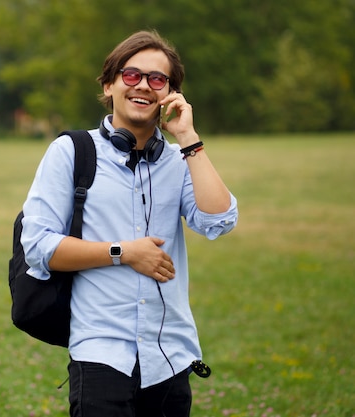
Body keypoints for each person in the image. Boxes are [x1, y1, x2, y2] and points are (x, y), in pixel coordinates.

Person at [20, 30, 238, 417]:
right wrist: (123, 253)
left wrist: (187, 137)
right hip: (101, 352)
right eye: (132, 75)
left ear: (171, 93)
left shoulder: (179, 161)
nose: (144, 87)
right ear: (109, 84)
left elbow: (218, 221)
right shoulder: (71, 152)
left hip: (170, 354)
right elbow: (38, 246)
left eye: (158, 79)